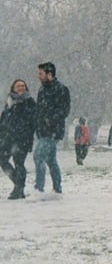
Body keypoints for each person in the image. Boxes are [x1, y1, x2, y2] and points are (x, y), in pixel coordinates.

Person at [33, 62, 70, 195]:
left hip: (53, 131)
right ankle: (57, 189)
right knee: (51, 160)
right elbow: (39, 110)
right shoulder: (42, 90)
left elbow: (64, 110)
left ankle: (39, 189)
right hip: (43, 130)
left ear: (49, 74)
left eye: (40, 73)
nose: (38, 76)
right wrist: (38, 124)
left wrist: (50, 120)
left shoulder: (61, 89)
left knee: (38, 156)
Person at [0, 79, 35, 199]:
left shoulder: (29, 101)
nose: (21, 88)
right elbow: (4, 118)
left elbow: (32, 122)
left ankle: (19, 190)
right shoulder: (9, 101)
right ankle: (18, 184)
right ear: (13, 88)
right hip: (7, 138)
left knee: (19, 163)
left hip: (22, 138)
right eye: (18, 86)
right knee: (2, 160)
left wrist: (27, 136)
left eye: (23, 86)